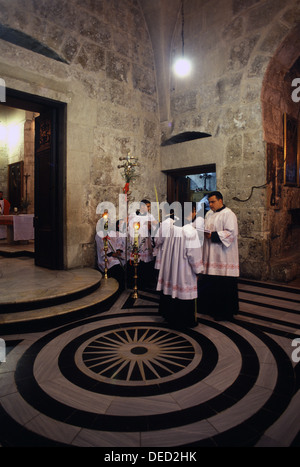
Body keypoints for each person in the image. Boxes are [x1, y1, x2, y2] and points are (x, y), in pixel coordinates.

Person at [156, 202, 203, 328]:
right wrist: (198, 270)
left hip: (171, 268)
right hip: (184, 270)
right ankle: (186, 321)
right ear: (192, 211)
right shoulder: (190, 231)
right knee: (183, 293)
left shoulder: (172, 227)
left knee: (173, 292)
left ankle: (171, 317)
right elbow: (194, 255)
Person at [198, 191, 239, 321]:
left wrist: (213, 235)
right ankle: (208, 308)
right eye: (209, 202)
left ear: (220, 200)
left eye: (213, 202)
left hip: (223, 256)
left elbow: (231, 233)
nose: (210, 204)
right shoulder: (209, 214)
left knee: (223, 286)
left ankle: (223, 313)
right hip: (210, 255)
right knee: (210, 283)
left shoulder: (229, 214)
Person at [128, 199, 157, 290]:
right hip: (137, 241)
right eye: (147, 206)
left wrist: (151, 226)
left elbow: (155, 226)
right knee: (138, 262)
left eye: (149, 207)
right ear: (141, 206)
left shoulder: (150, 216)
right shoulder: (133, 216)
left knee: (147, 263)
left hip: (147, 242)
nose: (148, 208)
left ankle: (147, 282)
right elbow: (131, 228)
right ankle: (137, 282)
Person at [95, 218, 126, 290]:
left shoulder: (113, 233)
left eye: (108, 223)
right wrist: (111, 254)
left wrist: (118, 250)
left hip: (116, 256)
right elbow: (101, 247)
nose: (108, 224)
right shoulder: (99, 234)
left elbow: (119, 242)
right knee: (118, 270)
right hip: (107, 258)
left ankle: (122, 286)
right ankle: (119, 288)